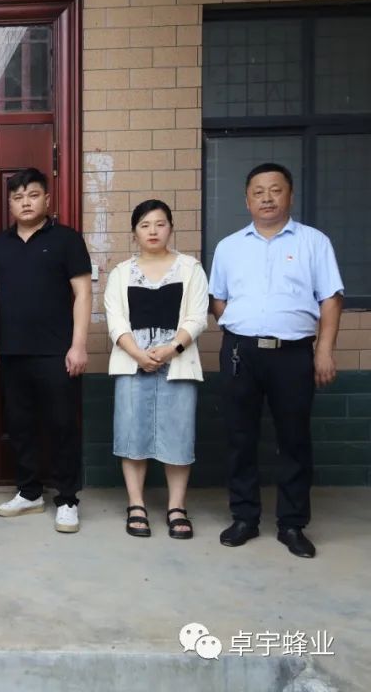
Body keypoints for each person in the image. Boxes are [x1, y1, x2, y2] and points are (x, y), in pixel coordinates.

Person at [209, 162, 343, 559]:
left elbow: (331, 299)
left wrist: (324, 350)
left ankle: (292, 524)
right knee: (239, 437)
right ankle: (245, 517)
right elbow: (218, 298)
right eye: (258, 191)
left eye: (275, 190)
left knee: (294, 440)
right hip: (241, 352)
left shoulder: (313, 242)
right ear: (247, 199)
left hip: (294, 355)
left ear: (290, 195)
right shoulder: (229, 246)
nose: (267, 198)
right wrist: (240, 325)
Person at [0, 167, 92, 533]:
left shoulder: (67, 240)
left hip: (58, 353)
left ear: (47, 198)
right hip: (12, 352)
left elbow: (83, 294)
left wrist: (78, 346)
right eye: (17, 197)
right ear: (9, 203)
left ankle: (68, 498)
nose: (25, 202)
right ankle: (28, 492)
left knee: (62, 426)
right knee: (21, 426)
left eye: (32, 195)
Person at [103, 199, 208, 540]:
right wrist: (138, 354)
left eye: (160, 224)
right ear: (134, 232)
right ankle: (137, 505)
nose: (153, 230)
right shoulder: (121, 273)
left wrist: (171, 349)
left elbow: (197, 316)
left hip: (177, 361)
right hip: (133, 363)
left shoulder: (190, 268)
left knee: (178, 435)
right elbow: (115, 320)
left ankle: (177, 506)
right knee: (133, 435)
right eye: (145, 224)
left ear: (171, 228)